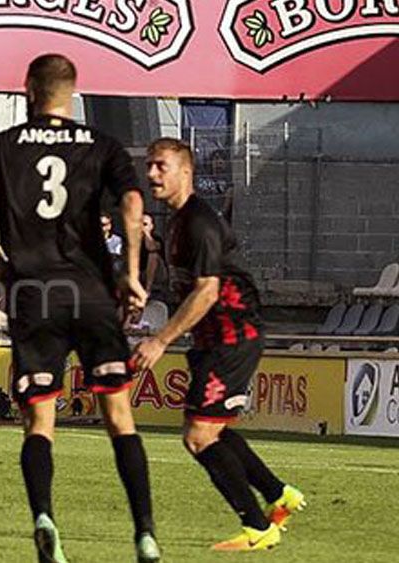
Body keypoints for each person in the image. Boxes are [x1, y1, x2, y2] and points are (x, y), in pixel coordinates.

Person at [0, 54, 160, 563]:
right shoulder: (101, 145)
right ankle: (144, 533)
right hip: (91, 291)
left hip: (34, 293)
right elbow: (133, 205)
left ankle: (45, 517)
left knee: (40, 423)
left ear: (29, 89)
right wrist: (131, 272)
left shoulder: (4, 145)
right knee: (119, 416)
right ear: (71, 93)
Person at [132, 138, 305, 551]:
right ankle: (280, 494)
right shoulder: (176, 222)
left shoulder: (200, 222)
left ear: (186, 172)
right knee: (211, 430)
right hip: (213, 340)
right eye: (150, 166)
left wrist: (160, 340)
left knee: (198, 437)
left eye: (161, 167)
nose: (152, 174)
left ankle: (258, 527)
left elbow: (207, 292)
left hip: (232, 337)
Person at [140, 213, 166, 299]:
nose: (141, 226)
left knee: (153, 255)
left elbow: (151, 248)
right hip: (139, 271)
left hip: (156, 274)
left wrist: (146, 234)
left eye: (145, 224)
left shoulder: (156, 239)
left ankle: (148, 288)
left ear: (151, 226)